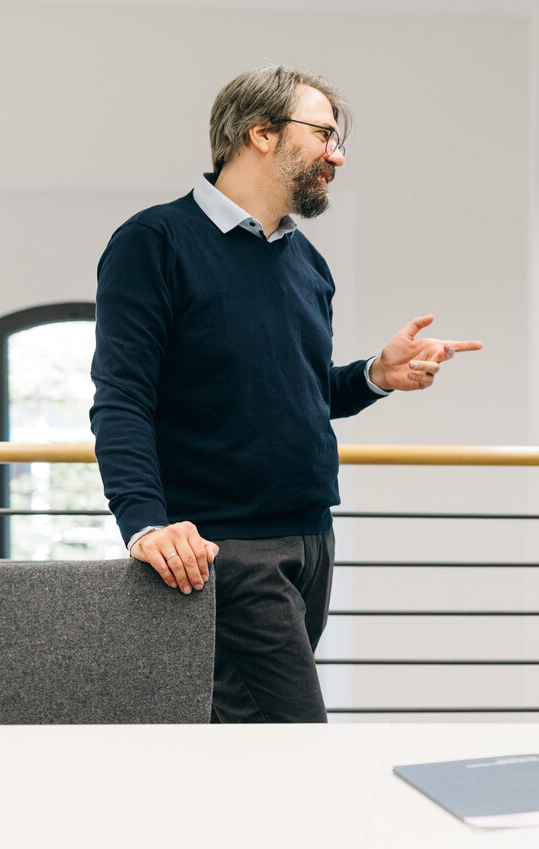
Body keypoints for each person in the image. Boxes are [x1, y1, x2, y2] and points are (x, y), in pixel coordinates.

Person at [90, 65, 482, 723]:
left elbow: (295, 393)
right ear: (262, 133)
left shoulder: (308, 264)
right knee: (296, 741)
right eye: (324, 134)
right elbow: (121, 397)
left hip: (312, 539)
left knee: (245, 748)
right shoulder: (154, 242)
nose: (338, 154)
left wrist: (374, 376)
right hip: (226, 550)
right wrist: (145, 523)